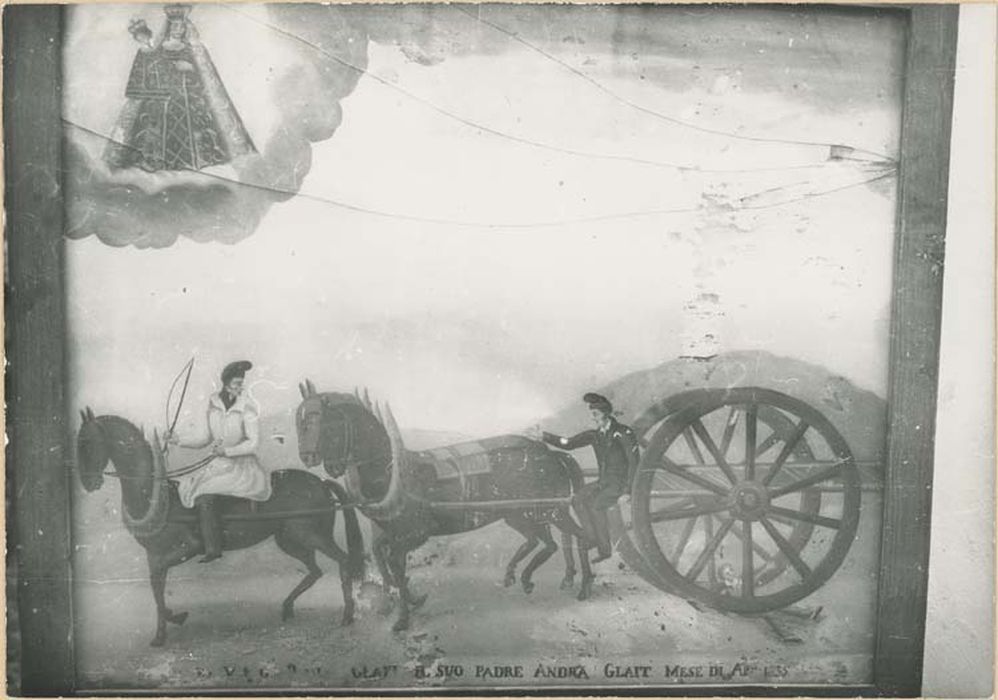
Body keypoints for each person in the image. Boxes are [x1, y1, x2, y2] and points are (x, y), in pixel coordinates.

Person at [104, 4, 256, 173]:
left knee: (196, 134)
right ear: (168, 27)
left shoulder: (193, 50)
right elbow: (151, 71)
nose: (178, 29)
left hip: (188, 100)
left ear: (186, 28)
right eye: (175, 25)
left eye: (181, 26)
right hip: (163, 100)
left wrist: (190, 68)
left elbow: (205, 77)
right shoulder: (158, 49)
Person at [167, 360, 271, 562]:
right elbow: (203, 438)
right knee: (187, 488)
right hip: (219, 466)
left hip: (242, 468)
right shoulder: (212, 404)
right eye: (235, 384)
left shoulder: (247, 407)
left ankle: (213, 548)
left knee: (204, 496)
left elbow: (254, 442)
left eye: (241, 383)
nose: (239, 387)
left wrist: (228, 451)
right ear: (225, 383)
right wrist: (178, 440)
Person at [541, 393, 640, 564]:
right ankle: (592, 537)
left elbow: (634, 462)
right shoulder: (595, 435)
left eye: (595, 414)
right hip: (604, 482)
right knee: (578, 499)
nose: (593, 418)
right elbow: (568, 443)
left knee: (597, 505)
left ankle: (604, 549)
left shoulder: (623, 432)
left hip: (620, 483)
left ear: (605, 413)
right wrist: (543, 436)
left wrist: (628, 491)